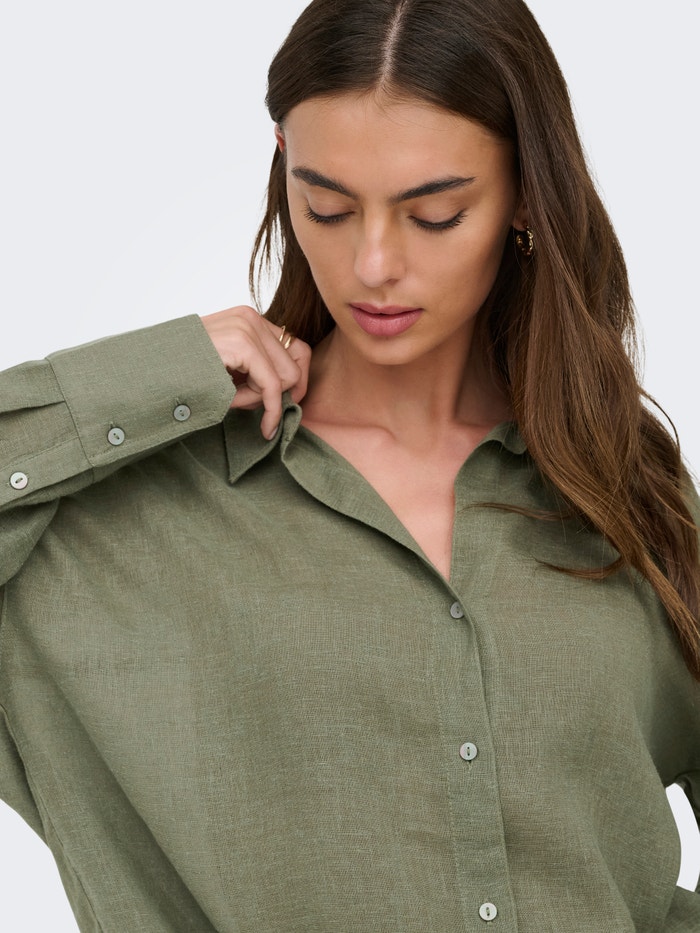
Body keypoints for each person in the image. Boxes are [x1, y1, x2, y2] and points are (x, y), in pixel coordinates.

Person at [1, 0, 698, 930]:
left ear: (528, 195)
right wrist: (157, 374)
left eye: (435, 215)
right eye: (326, 206)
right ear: (283, 167)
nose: (372, 264)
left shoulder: (625, 481)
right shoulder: (114, 513)